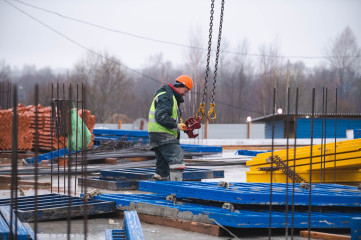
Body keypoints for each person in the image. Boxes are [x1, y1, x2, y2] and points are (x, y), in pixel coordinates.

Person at [148, 75, 193, 181]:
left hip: (156, 133)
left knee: (162, 165)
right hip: (162, 133)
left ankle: (159, 184)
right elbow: (161, 116)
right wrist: (176, 125)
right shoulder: (167, 96)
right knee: (177, 157)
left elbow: (167, 115)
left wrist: (179, 124)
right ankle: (176, 188)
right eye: (185, 91)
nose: (184, 94)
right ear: (181, 86)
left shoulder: (169, 96)